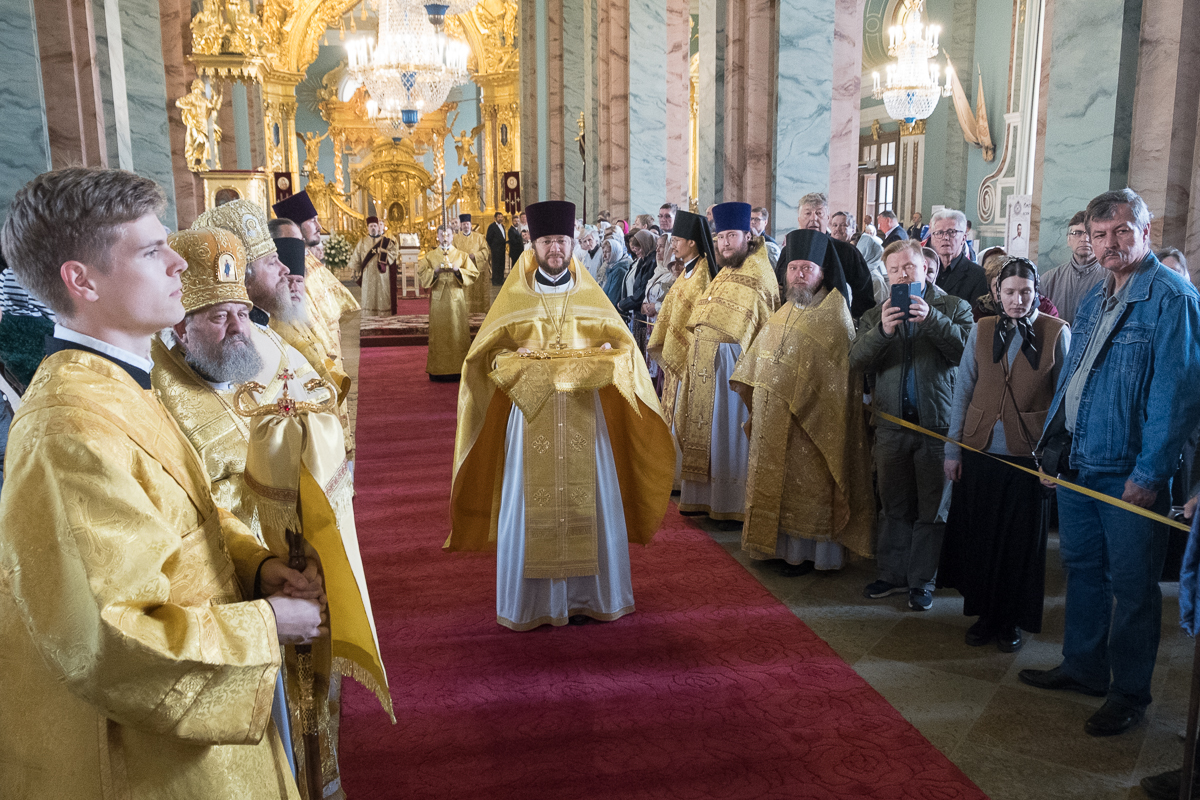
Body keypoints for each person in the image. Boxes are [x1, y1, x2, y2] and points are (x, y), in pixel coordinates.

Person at [0, 166, 324, 798]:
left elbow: (180, 507)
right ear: (81, 279)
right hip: (144, 755)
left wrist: (255, 566)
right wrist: (266, 624)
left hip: (190, 714)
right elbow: (111, 635)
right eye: (152, 250)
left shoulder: (118, 379)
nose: (179, 262)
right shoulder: (69, 427)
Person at [150, 229, 393, 798]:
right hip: (229, 576)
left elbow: (329, 411)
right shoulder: (158, 389)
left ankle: (318, 780)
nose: (239, 330)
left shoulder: (270, 346)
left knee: (313, 689)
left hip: (302, 548)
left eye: (240, 311)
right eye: (218, 318)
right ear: (180, 325)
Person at [446, 200, 674, 630]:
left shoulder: (592, 295)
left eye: (562, 240)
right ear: (533, 244)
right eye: (547, 240)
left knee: (593, 501)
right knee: (530, 504)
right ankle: (534, 604)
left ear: (572, 243)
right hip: (530, 416)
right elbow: (486, 356)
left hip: (586, 419)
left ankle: (591, 596)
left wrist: (610, 357)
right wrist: (514, 358)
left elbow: (626, 349)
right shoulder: (515, 297)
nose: (555, 248)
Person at [1024, 188, 1200, 737]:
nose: (1110, 244)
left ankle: (1129, 692)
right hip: (1080, 461)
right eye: (1100, 235)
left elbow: (1176, 397)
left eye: (1122, 231)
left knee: (1133, 585)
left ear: (1145, 232)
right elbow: (1073, 380)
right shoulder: (1098, 295)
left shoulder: (1172, 298)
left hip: (1129, 471)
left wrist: (1150, 475)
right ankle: (1083, 666)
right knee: (1082, 571)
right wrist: (1050, 449)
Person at [941, 258, 1071, 653]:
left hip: (1026, 455)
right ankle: (983, 614)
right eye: (1010, 292)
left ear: (1037, 294)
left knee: (1018, 545)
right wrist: (953, 449)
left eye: (1025, 293)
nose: (1017, 300)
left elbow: (1064, 400)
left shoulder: (1055, 332)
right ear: (997, 292)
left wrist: (1054, 460)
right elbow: (963, 388)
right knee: (981, 538)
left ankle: (1011, 619)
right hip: (980, 448)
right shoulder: (981, 330)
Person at [732, 229, 875, 576]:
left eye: (806, 268)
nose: (798, 275)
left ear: (822, 272)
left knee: (806, 489)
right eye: (793, 268)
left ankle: (809, 554)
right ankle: (777, 549)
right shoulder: (784, 311)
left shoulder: (834, 314)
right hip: (773, 421)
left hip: (812, 427)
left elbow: (840, 380)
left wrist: (805, 401)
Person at [850, 239, 973, 611]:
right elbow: (856, 361)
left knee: (932, 509)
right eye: (896, 269)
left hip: (936, 426)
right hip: (890, 426)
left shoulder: (954, 307)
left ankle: (922, 581)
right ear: (887, 274)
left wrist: (932, 320)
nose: (904, 274)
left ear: (925, 267)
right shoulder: (876, 314)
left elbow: (966, 355)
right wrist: (882, 333)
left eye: (910, 267)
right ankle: (891, 574)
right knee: (893, 503)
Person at [197, 200, 356, 460]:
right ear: (243, 277)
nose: (285, 269)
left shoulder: (264, 328)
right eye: (272, 262)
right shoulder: (236, 344)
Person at [676, 202, 779, 523]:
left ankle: (731, 503)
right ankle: (707, 499)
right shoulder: (725, 272)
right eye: (720, 237)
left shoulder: (761, 273)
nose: (724, 243)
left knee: (730, 435)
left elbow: (764, 329)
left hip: (737, 376)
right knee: (711, 436)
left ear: (748, 236)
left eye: (731, 236)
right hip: (708, 370)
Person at [647, 210, 716, 484]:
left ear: (693, 243)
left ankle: (681, 477)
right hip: (677, 358)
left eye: (677, 239)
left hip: (691, 356)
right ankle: (670, 473)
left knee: (684, 415)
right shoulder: (686, 272)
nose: (673, 244)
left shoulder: (703, 274)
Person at [271, 190, 361, 360]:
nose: (319, 227)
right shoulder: (290, 269)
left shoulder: (309, 257)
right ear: (295, 226)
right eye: (312, 221)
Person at [794, 192, 877, 318]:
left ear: (827, 218)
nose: (813, 218)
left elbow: (864, 296)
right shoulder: (789, 251)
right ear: (799, 219)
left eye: (819, 213)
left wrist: (853, 323)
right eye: (807, 213)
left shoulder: (847, 252)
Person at [418, 225, 478, 380]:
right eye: (442, 235)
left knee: (457, 331)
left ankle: (459, 368)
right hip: (438, 300)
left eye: (448, 235)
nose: (445, 238)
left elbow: (473, 273)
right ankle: (437, 370)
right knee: (439, 332)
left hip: (456, 300)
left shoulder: (461, 255)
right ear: (437, 236)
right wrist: (435, 271)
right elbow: (421, 273)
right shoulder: (430, 256)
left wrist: (458, 271)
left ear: (453, 236)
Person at [929, 208, 988, 302]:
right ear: (932, 238)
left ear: (964, 237)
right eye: (939, 233)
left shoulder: (979, 276)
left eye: (952, 232)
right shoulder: (924, 270)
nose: (945, 237)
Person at [349, 215, 397, 316]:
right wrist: (354, 270)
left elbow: (394, 253)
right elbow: (356, 257)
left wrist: (383, 252)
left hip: (382, 274)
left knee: (382, 292)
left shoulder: (386, 242)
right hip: (368, 274)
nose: (373, 228)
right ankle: (368, 313)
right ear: (368, 228)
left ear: (378, 227)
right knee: (368, 294)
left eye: (375, 226)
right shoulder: (362, 242)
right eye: (371, 226)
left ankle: (383, 312)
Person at [453, 213, 491, 313]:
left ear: (471, 225)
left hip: (477, 269)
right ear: (461, 225)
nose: (466, 226)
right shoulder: (455, 238)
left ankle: (480, 311)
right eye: (464, 224)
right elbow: (452, 253)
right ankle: (463, 312)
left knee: (478, 292)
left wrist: (475, 255)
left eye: (467, 224)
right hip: (463, 270)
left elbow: (485, 251)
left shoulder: (479, 237)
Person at [600, 236, 632, 307]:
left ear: (616, 252)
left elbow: (612, 299)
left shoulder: (619, 271)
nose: (604, 256)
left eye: (607, 252)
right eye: (603, 252)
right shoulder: (610, 267)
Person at [486, 211, 508, 286]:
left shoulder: (502, 226)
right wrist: (493, 246)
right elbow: (488, 238)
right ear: (495, 218)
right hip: (496, 249)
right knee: (496, 265)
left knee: (502, 264)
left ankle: (501, 279)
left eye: (501, 217)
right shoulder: (492, 226)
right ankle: (495, 280)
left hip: (502, 249)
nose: (500, 218)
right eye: (499, 217)